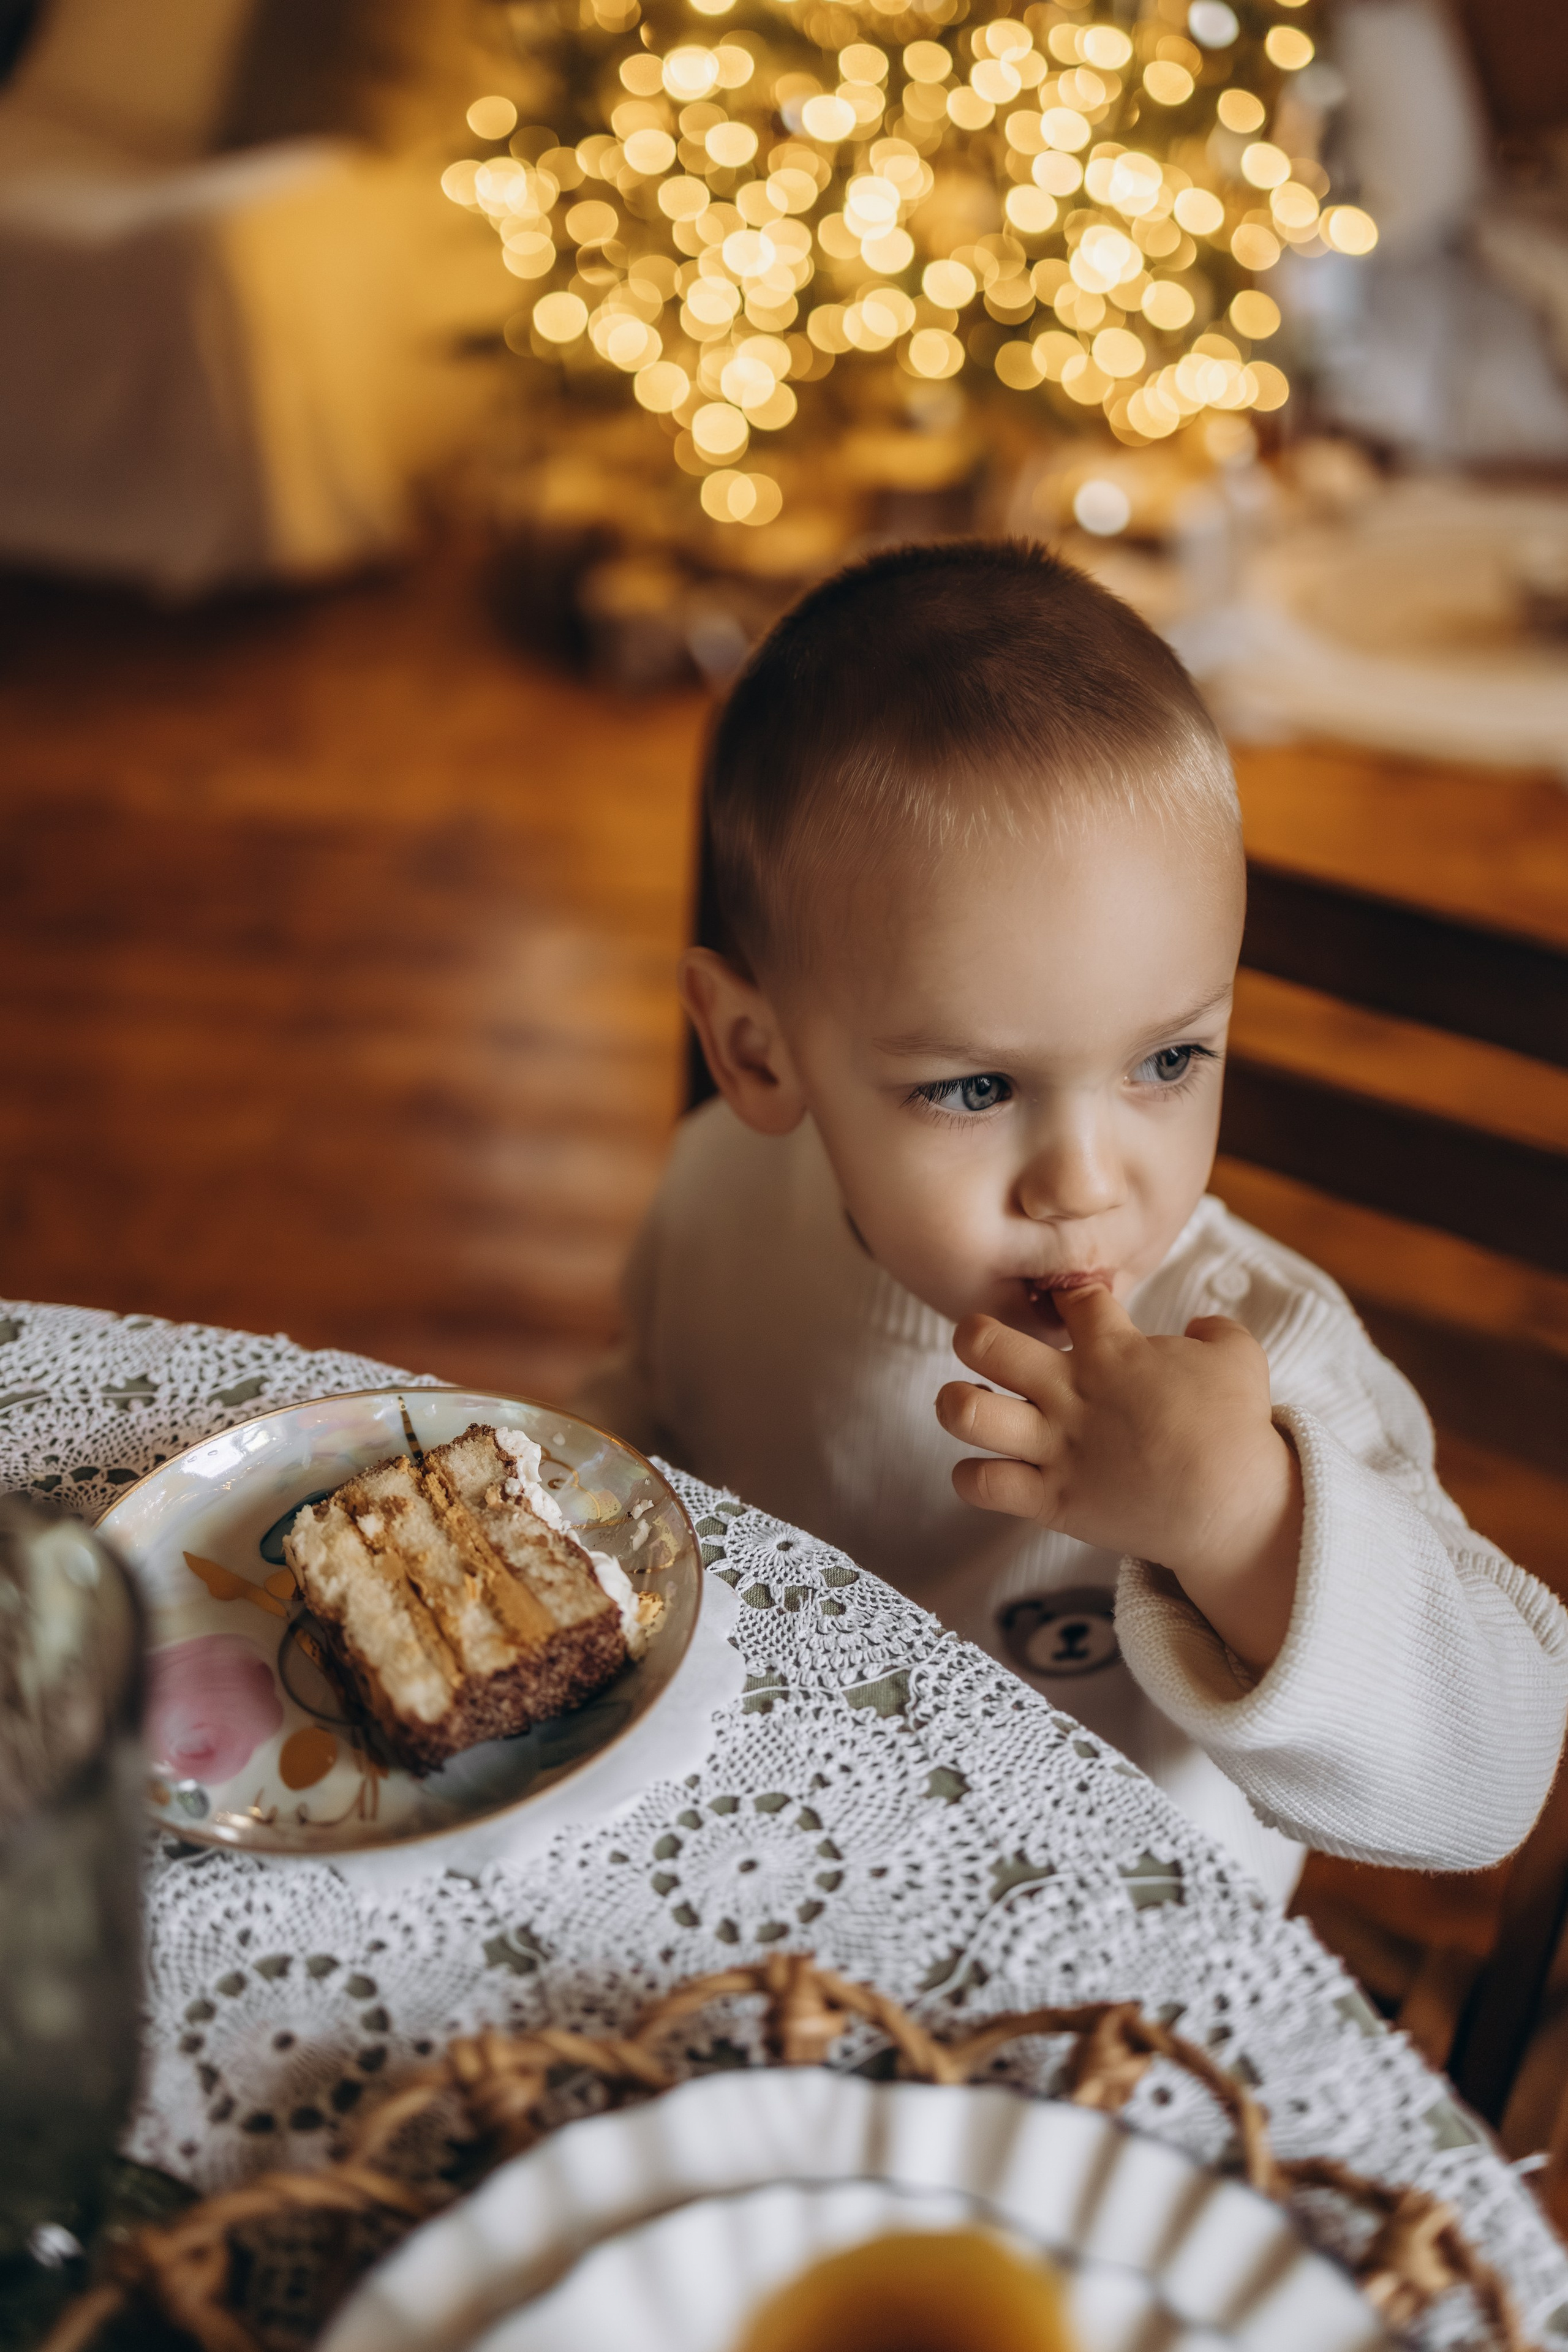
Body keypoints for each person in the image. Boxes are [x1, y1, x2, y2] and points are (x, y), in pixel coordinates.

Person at [577, 539, 1568, 1901]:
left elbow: (1487, 1784)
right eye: (975, 1087)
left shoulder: (1261, 1369)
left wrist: (1239, 1528)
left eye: (1166, 1061)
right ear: (755, 1055)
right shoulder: (720, 1194)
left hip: (1103, 1990)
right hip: (749, 1877)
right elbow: (643, 1434)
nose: (1086, 1184)